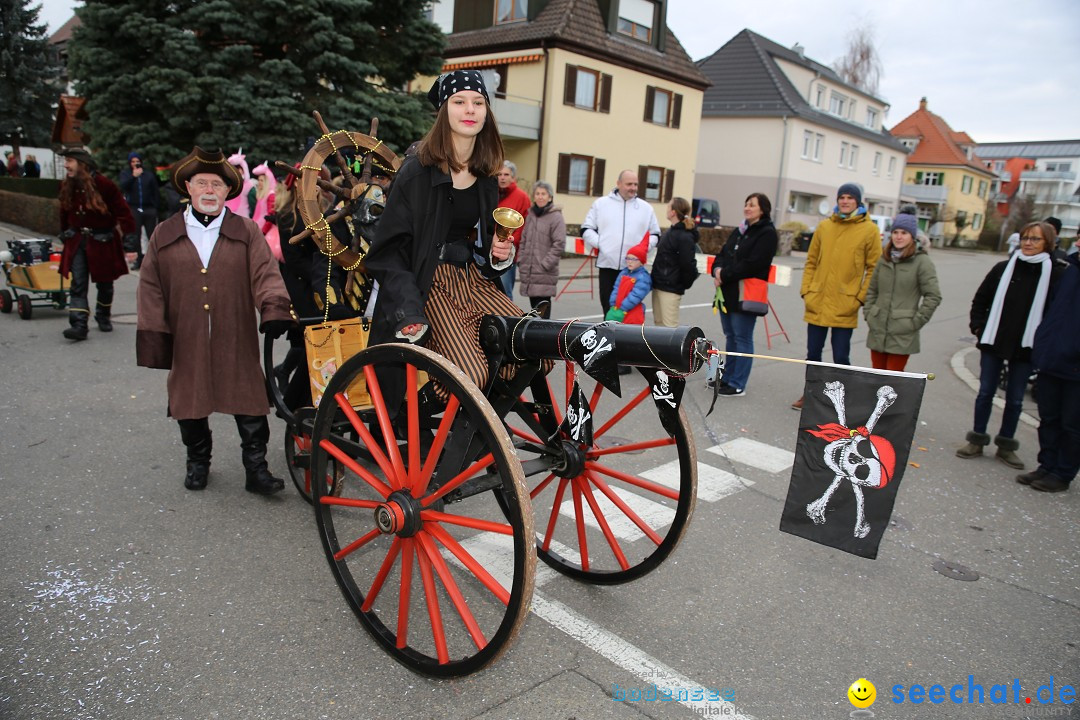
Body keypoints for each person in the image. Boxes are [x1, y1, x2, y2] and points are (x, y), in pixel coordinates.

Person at [364, 70, 542, 407]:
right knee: (471, 376)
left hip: (470, 280)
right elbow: (386, 252)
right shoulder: (417, 170)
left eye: (478, 102)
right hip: (425, 282)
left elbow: (486, 247)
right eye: (459, 102)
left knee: (532, 351)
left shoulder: (486, 174)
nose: (469, 110)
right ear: (444, 111)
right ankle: (411, 413)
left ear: (487, 112)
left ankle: (469, 431)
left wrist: (500, 253)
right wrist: (408, 311)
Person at [136, 146, 296, 495]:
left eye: (217, 185)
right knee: (188, 403)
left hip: (234, 333)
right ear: (189, 188)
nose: (209, 191)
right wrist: (154, 333)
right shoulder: (165, 233)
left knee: (250, 401)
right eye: (202, 183)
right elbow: (150, 287)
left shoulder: (246, 231)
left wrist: (273, 307)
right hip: (186, 335)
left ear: (228, 192)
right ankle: (198, 462)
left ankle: (256, 470)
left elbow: (266, 273)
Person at [956, 221, 1065, 469]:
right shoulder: (1003, 268)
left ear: (1047, 243)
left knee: (1015, 399)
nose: (1027, 243)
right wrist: (978, 327)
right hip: (994, 341)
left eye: (1035, 239)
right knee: (985, 393)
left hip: (1027, 348)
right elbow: (980, 299)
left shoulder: (1055, 274)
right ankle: (977, 438)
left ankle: (1005, 444)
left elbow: (1057, 313)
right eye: (1025, 238)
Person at [792, 182, 881, 409]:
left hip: (846, 303)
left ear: (858, 202)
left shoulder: (869, 230)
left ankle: (843, 400)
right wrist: (807, 290)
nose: (845, 201)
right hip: (818, 301)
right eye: (842, 197)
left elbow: (874, 268)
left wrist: (859, 298)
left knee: (841, 356)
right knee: (813, 355)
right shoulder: (824, 227)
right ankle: (811, 394)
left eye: (850, 197)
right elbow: (811, 261)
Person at [57, 147, 136, 341]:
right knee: (78, 283)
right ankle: (79, 324)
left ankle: (103, 315)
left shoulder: (104, 184)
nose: (66, 165)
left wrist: (130, 243)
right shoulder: (68, 184)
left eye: (69, 161)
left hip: (102, 241)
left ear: (82, 164)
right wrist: (64, 233)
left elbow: (123, 212)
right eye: (65, 161)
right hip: (77, 241)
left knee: (105, 284)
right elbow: (64, 211)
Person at [1021, 250, 1080, 492]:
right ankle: (1046, 465)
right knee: (1049, 418)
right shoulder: (1070, 271)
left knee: (1072, 424)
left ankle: (1062, 473)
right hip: (1052, 359)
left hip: (1076, 367)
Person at [711, 192, 778, 397]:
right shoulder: (740, 230)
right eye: (746, 204)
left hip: (745, 294)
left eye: (752, 205)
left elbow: (754, 264)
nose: (747, 208)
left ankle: (738, 383)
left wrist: (725, 273)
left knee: (742, 338)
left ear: (762, 209)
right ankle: (727, 377)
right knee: (731, 336)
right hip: (728, 291)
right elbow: (722, 254)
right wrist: (717, 270)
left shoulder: (767, 233)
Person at [863, 206, 942, 372]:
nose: (899, 237)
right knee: (875, 377)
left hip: (903, 331)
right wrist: (870, 314)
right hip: (878, 328)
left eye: (904, 233)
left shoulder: (922, 262)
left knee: (893, 382)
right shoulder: (883, 259)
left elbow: (933, 296)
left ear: (912, 236)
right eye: (895, 232)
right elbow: (872, 291)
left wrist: (915, 322)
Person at [581, 169, 660, 315]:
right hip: (607, 267)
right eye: (629, 184)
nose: (633, 188)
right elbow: (586, 229)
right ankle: (608, 337)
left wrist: (643, 249)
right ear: (618, 184)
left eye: (636, 184)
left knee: (628, 312)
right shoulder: (601, 204)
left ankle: (624, 338)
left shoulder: (646, 208)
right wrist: (601, 244)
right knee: (608, 309)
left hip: (633, 270)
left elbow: (655, 233)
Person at [517, 180, 566, 319]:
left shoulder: (556, 217)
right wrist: (521, 260)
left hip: (544, 271)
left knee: (543, 310)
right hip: (529, 270)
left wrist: (545, 264)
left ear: (550, 197)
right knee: (535, 309)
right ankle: (538, 336)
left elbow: (559, 243)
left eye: (543, 194)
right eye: (537, 193)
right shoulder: (531, 215)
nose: (540, 196)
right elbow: (524, 239)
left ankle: (543, 338)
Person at [651, 196, 700, 328]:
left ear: (673, 212)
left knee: (669, 329)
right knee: (658, 326)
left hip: (671, 289)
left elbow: (687, 264)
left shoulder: (684, 236)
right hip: (659, 285)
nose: (666, 209)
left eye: (668, 206)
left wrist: (682, 284)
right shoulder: (670, 232)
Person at [118, 151, 161, 270]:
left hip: (149, 208)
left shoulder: (148, 175)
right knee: (136, 235)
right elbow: (123, 186)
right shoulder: (126, 174)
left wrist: (155, 207)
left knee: (152, 234)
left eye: (137, 161)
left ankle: (154, 260)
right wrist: (133, 177)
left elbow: (155, 191)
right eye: (133, 162)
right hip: (134, 208)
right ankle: (139, 259)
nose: (135, 164)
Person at [495, 160, 531, 299]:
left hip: (508, 251)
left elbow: (524, 226)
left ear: (513, 177)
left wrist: (509, 243)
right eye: (499, 174)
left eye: (506, 174)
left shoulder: (522, 197)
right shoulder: (491, 193)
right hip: (487, 249)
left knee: (505, 291)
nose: (502, 177)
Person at [606, 238, 652, 325]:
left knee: (631, 332)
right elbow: (616, 288)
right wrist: (613, 304)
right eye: (628, 258)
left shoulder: (643, 277)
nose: (630, 262)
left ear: (641, 262)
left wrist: (623, 308)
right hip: (617, 308)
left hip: (631, 310)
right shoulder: (624, 272)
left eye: (634, 259)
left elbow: (636, 295)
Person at [223, 150, 255, 218]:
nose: (236, 171)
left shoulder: (249, 186)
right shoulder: (226, 184)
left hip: (242, 218)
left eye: (238, 168)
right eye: (234, 169)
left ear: (243, 169)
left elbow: (253, 203)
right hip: (226, 216)